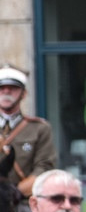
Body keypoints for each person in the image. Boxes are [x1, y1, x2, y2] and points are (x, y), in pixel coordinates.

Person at [0, 63, 56, 200]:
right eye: (1, 88)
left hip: (23, 202)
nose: (6, 92)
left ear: (23, 94)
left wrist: (17, 192)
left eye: (13, 88)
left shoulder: (39, 128)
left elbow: (44, 167)